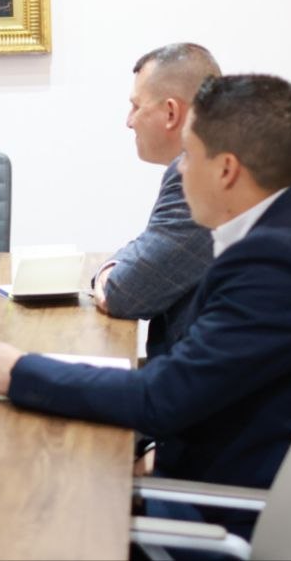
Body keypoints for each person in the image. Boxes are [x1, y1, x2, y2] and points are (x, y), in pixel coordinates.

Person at [0, 74, 291, 540]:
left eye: (188, 155)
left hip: (219, 514)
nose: (180, 170)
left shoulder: (278, 263)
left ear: (226, 169)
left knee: (19, 504)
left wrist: (22, 371)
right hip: (218, 467)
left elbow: (159, 399)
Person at [93, 43, 221, 358]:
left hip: (197, 383)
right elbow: (150, 244)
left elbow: (126, 294)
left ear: (171, 112)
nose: (129, 121)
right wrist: (115, 266)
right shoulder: (219, 160)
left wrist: (107, 274)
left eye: (136, 106)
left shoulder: (202, 174)